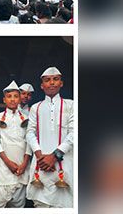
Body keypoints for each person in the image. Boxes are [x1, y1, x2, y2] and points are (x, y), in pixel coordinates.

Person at [26, 67, 74, 208]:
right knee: (40, 204)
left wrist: (54, 156)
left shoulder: (71, 105)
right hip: (40, 166)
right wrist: (41, 157)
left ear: (61, 83)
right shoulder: (36, 107)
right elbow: (30, 132)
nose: (51, 83)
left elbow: (74, 132)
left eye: (55, 79)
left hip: (65, 164)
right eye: (47, 80)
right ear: (42, 86)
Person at [0, 81, 31, 208]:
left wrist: (25, 164)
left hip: (22, 165)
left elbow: (29, 141)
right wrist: (8, 163)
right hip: (4, 165)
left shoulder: (27, 117)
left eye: (16, 96)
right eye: (9, 96)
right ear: (4, 99)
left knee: (18, 203)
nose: (12, 99)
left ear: (20, 99)